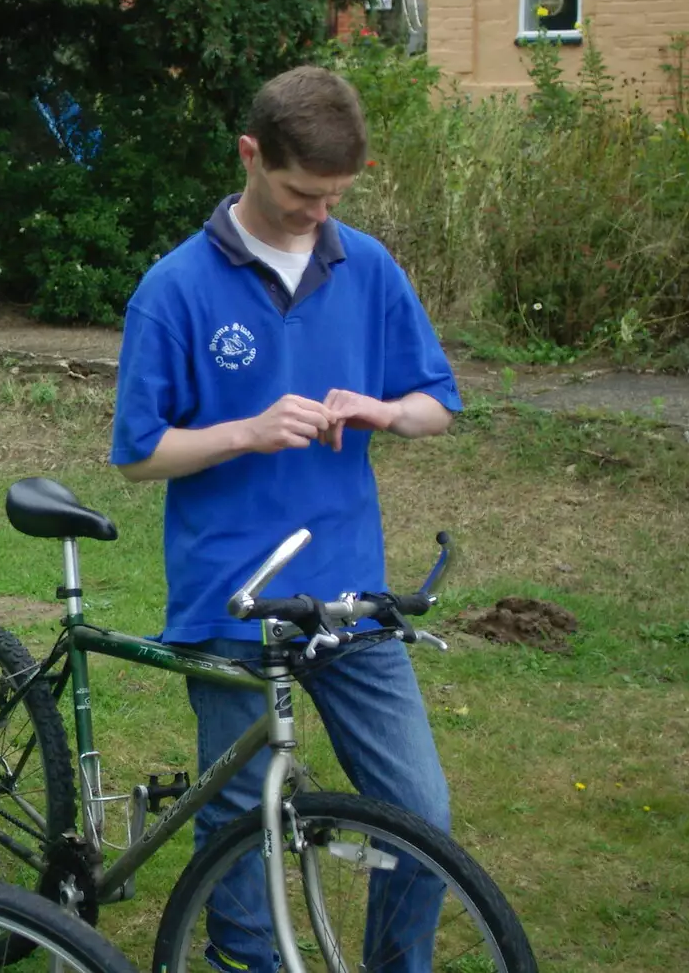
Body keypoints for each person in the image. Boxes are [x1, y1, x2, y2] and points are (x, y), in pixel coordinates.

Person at [110, 66, 461, 973]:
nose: (317, 213)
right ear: (251, 156)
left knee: (421, 815)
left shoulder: (367, 265)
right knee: (238, 816)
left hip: (349, 595)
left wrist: (387, 412)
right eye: (302, 193)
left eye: (336, 195)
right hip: (233, 595)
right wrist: (247, 432)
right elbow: (139, 453)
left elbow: (438, 405)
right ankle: (246, 962)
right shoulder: (175, 288)